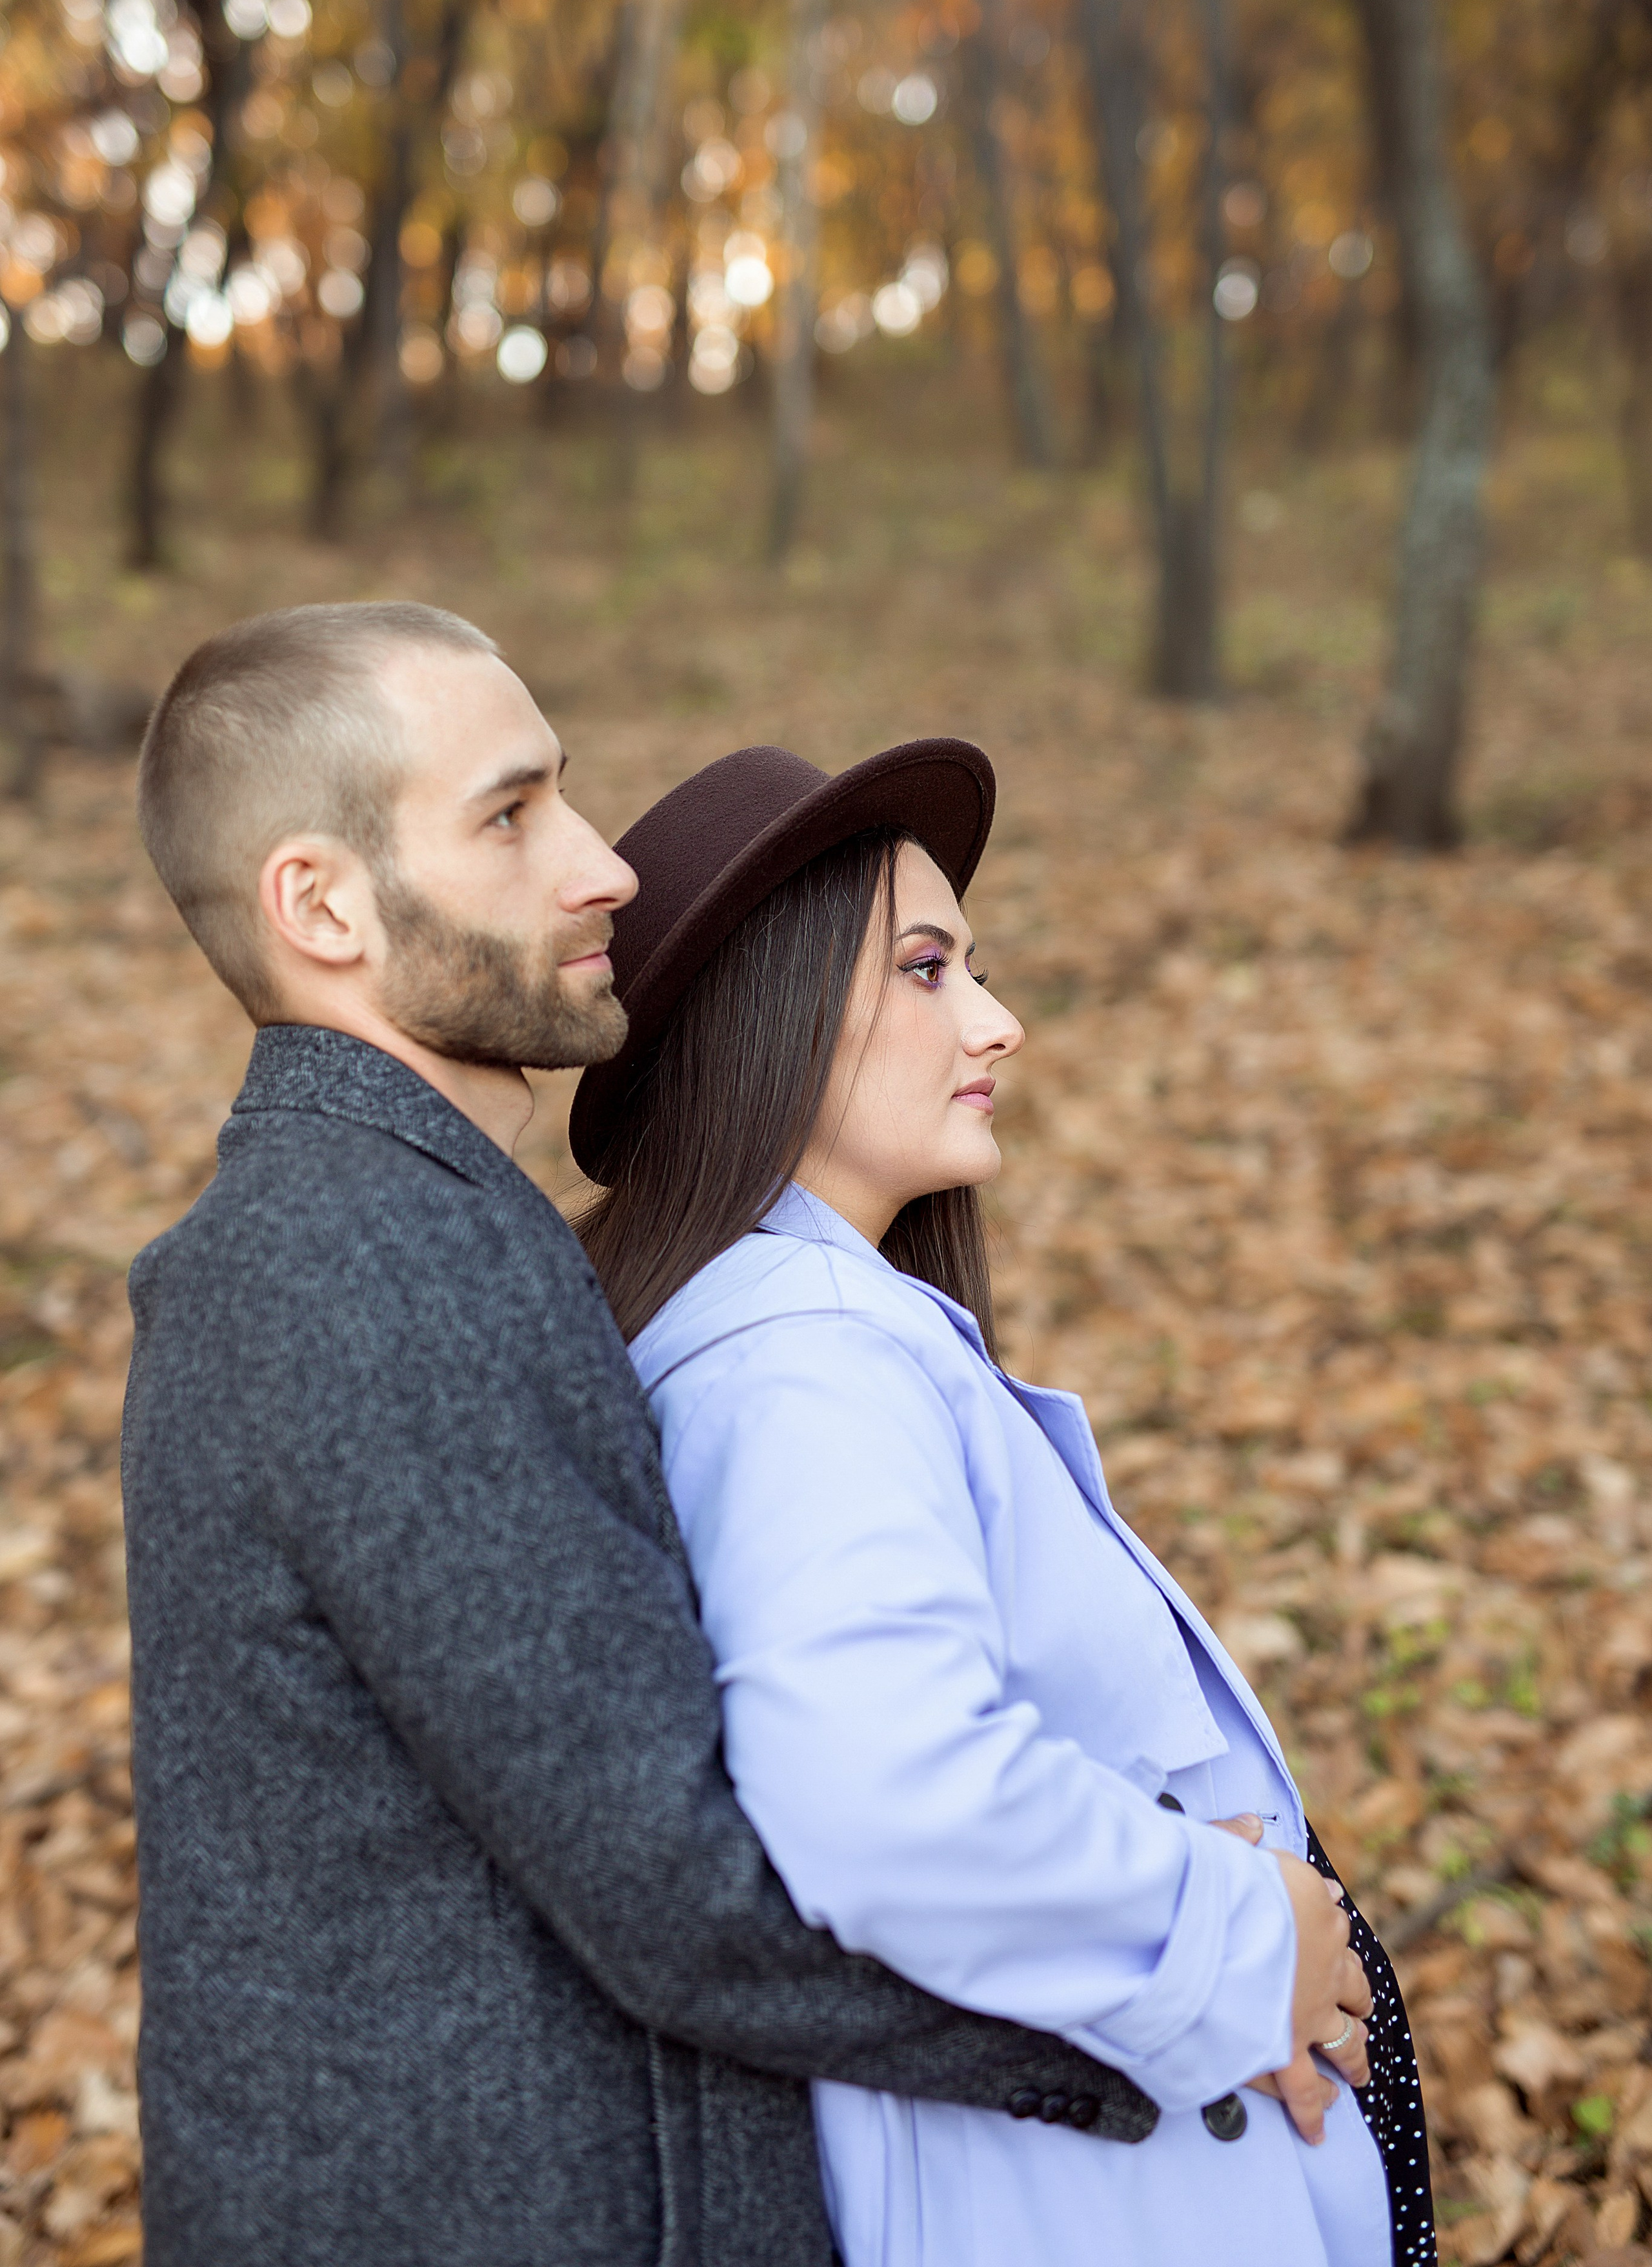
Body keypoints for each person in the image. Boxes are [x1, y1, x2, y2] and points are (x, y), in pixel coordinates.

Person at [121, 605, 1177, 2267]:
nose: (605, 866)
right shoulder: (365, 1267)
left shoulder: (407, 1228)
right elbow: (674, 1899)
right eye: (511, 815)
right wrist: (1164, 2016)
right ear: (321, 903)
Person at [569, 738, 1435, 2267]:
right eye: (924, 969)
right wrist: (1236, 1931)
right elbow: (880, 1794)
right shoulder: (804, 1365)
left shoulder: (806, 1336)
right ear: (765, 1011)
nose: (997, 1021)